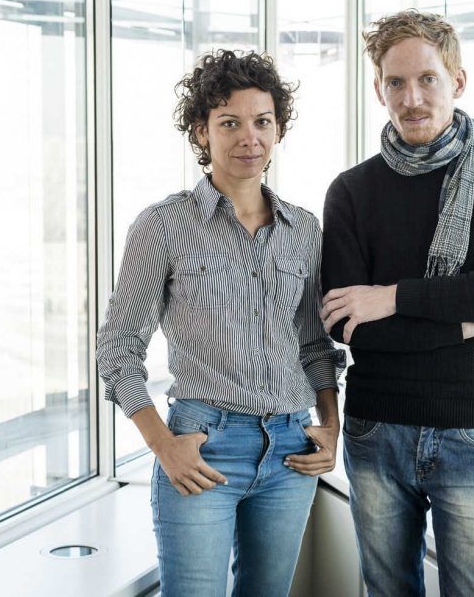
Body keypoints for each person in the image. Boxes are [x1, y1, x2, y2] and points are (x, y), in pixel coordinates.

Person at [97, 50, 344, 596]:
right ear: (201, 132)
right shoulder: (162, 225)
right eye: (229, 123)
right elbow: (117, 348)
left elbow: (313, 344)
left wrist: (331, 424)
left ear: (278, 130)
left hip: (291, 450)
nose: (248, 138)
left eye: (262, 122)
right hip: (203, 445)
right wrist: (163, 445)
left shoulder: (304, 229)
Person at [321, 9, 474, 596]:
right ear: (379, 90)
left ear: (457, 81)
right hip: (376, 428)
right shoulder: (350, 191)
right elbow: (350, 326)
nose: (412, 98)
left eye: (427, 79)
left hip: (472, 426)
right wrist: (466, 322)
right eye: (395, 82)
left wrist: (393, 297)